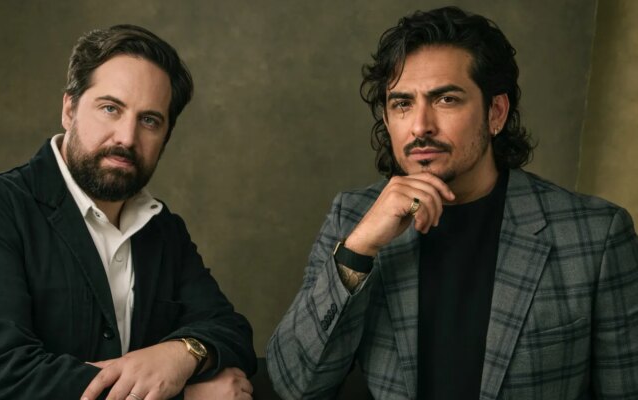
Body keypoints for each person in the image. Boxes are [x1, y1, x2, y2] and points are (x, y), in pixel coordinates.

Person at [267, 6, 638, 399]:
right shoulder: (353, 218)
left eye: (446, 99)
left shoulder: (594, 236)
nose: (420, 126)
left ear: (496, 112)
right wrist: (359, 251)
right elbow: (296, 387)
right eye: (402, 103)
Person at [0, 24, 256, 400]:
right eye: (111, 108)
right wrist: (186, 396)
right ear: (69, 110)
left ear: (165, 136)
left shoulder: (164, 230)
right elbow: (7, 383)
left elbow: (230, 331)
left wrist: (183, 354)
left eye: (149, 120)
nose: (127, 137)